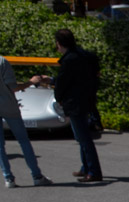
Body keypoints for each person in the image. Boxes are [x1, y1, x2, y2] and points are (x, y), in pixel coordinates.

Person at [32, 29, 102, 183]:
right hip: (87, 100)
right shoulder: (85, 55)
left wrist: (56, 93)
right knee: (82, 136)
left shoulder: (69, 60)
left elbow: (63, 83)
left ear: (59, 43)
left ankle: (94, 171)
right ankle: (86, 167)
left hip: (74, 102)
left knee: (83, 138)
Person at [1, 56, 52, 189]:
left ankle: (8, 178)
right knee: (23, 140)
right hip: (8, 106)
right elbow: (13, 87)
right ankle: (36, 176)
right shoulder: (2, 62)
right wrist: (30, 82)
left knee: (0, 146)